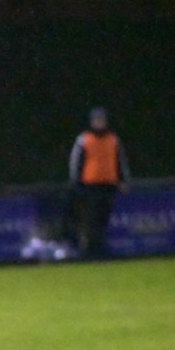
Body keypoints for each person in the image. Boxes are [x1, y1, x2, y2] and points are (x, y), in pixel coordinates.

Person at [68, 107, 131, 258]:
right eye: (96, 120)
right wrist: (76, 182)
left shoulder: (113, 139)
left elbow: (120, 161)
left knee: (104, 218)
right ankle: (90, 251)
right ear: (91, 122)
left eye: (101, 120)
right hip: (90, 185)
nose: (99, 123)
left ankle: (101, 250)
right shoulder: (84, 139)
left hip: (109, 184)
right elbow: (75, 162)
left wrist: (123, 180)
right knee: (91, 219)